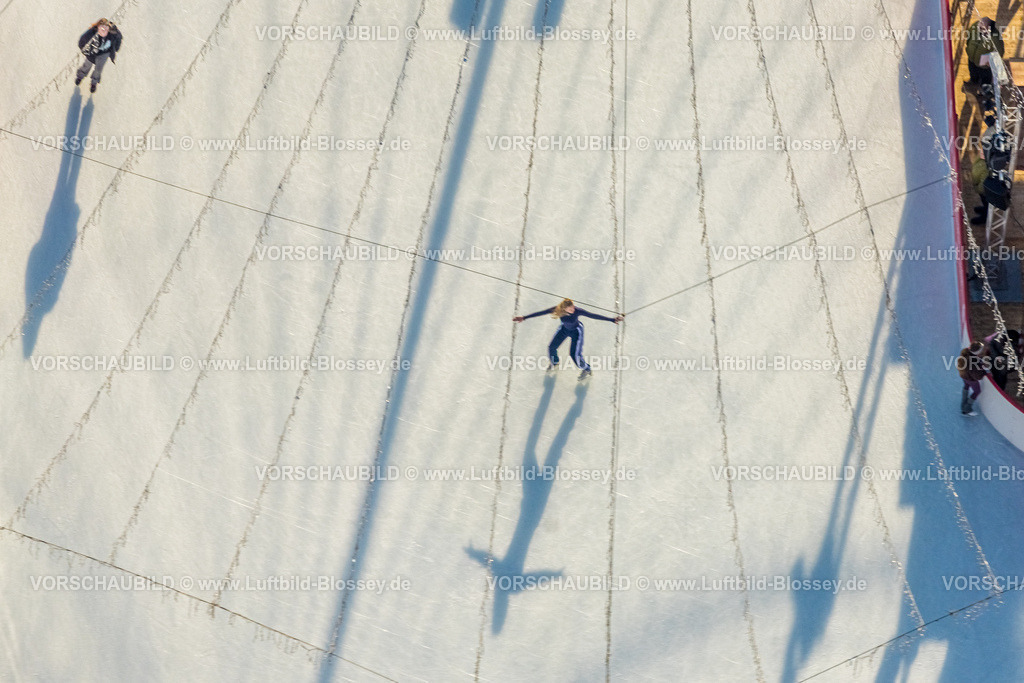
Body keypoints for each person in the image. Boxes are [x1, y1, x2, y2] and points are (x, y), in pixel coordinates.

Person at [513, 298, 623, 380]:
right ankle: (555, 362)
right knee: (551, 347)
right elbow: (541, 313)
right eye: (571, 308)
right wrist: (524, 317)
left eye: (573, 307)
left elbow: (593, 315)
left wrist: (612, 320)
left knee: (574, 355)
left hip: (577, 331)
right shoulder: (557, 309)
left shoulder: (577, 311)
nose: (573, 309)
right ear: (564, 309)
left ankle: (587, 369)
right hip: (564, 329)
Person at [75, 18, 122, 93]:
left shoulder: (112, 33)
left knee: (98, 69)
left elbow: (119, 37)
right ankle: (80, 76)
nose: (104, 30)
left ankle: (94, 82)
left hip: (104, 53)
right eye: (102, 28)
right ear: (98, 27)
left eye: (106, 28)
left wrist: (116, 48)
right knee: (87, 65)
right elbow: (82, 40)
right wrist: (84, 50)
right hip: (92, 52)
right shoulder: (93, 32)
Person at [965, 17, 1004, 88]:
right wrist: (968, 48)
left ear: (989, 28)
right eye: (980, 24)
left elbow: (1000, 52)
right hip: (971, 59)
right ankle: (973, 82)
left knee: (985, 80)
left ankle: (984, 90)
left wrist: (992, 61)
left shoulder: (995, 38)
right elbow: (969, 36)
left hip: (984, 66)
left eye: (982, 27)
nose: (979, 27)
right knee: (973, 73)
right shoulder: (975, 26)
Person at [957, 340, 989, 415]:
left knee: (966, 386)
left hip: (963, 375)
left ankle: (963, 404)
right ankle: (967, 408)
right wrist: (985, 372)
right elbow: (977, 376)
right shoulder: (973, 362)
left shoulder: (966, 353)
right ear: (977, 352)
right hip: (970, 379)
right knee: (977, 391)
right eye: (981, 350)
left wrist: (980, 362)